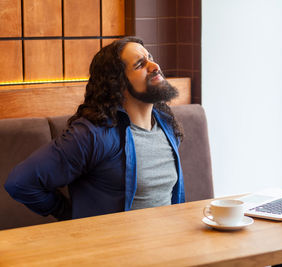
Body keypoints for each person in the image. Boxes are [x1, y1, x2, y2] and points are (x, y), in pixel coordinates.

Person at [4, 36, 185, 220]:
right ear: (118, 84)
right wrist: (68, 214)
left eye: (151, 57)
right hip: (116, 247)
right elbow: (20, 182)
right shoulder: (94, 134)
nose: (154, 66)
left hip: (166, 243)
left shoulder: (166, 124)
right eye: (139, 64)